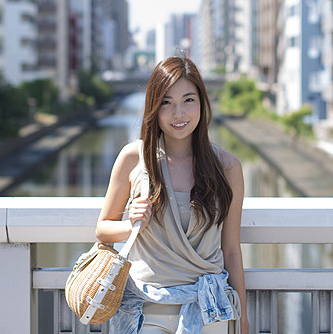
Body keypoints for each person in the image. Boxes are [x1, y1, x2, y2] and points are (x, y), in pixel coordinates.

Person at [96, 55, 249, 334]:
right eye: (166, 102)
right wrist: (130, 224)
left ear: (202, 102)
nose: (178, 113)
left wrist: (243, 321)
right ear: (154, 107)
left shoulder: (227, 167)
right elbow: (103, 230)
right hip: (146, 309)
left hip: (209, 309)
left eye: (188, 100)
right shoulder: (134, 158)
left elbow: (231, 250)